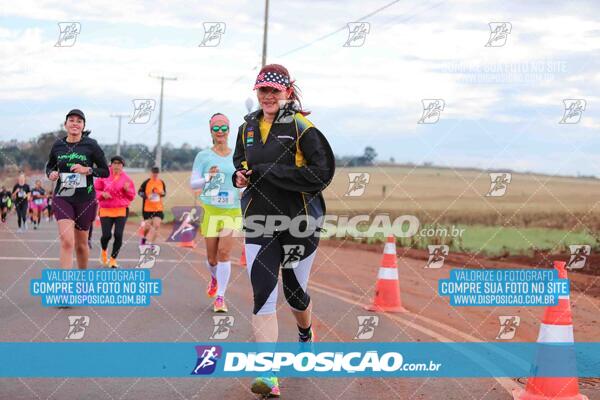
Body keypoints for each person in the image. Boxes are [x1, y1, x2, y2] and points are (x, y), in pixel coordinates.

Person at [232, 64, 335, 397]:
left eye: (274, 91)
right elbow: (240, 163)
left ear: (287, 92)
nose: (268, 96)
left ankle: (305, 333)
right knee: (263, 292)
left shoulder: (303, 127)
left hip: (298, 222)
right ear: (257, 93)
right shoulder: (246, 128)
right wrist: (241, 176)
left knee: (293, 291)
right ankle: (267, 372)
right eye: (262, 90)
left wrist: (269, 173)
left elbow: (321, 175)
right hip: (259, 220)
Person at [190, 113, 242, 313]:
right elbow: (193, 183)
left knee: (224, 252)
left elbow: (246, 177)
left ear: (229, 130)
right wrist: (206, 177)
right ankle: (214, 278)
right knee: (212, 259)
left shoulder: (238, 154)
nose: (220, 132)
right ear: (211, 131)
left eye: (224, 128)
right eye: (216, 128)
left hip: (232, 210)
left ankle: (220, 296)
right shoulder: (203, 156)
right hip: (211, 209)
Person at [46, 109, 109, 270]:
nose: (75, 123)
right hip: (63, 196)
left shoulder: (91, 145)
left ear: (83, 126)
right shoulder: (58, 145)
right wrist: (51, 173)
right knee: (67, 241)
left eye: (79, 121)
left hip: (85, 199)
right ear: (66, 124)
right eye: (71, 120)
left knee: (81, 245)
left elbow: (105, 170)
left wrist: (87, 170)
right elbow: (50, 166)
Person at [94, 155, 135, 268]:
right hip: (106, 209)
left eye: (119, 163)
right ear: (111, 165)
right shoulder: (104, 176)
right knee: (106, 235)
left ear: (122, 166)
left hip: (121, 210)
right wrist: (102, 194)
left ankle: (113, 259)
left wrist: (127, 190)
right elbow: (95, 190)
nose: (116, 166)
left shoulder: (127, 179)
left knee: (118, 235)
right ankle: (103, 252)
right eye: (114, 163)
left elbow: (132, 196)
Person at [138, 167, 166, 245]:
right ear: (151, 173)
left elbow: (164, 193)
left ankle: (152, 243)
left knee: (156, 225)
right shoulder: (146, 182)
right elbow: (139, 192)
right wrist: (146, 196)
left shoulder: (161, 182)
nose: (155, 174)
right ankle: (144, 237)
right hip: (147, 209)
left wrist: (161, 194)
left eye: (156, 173)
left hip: (158, 208)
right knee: (147, 227)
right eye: (154, 173)